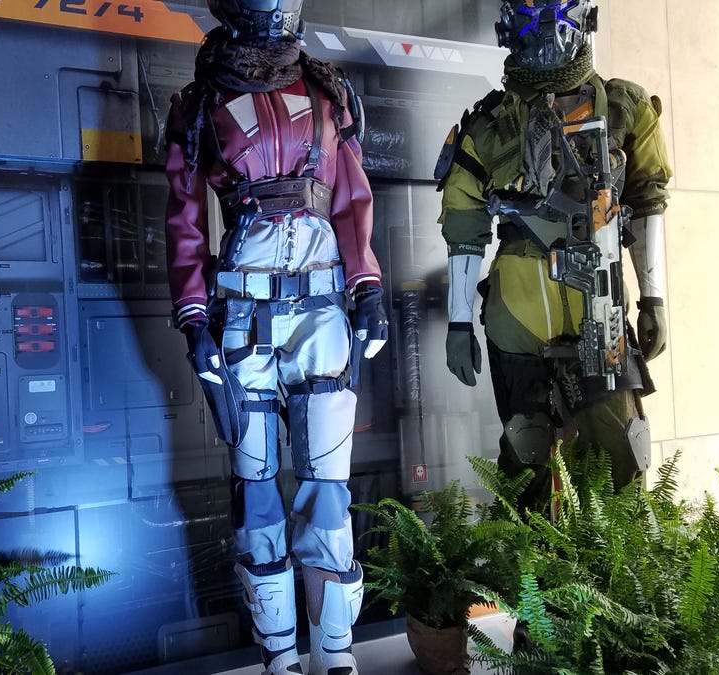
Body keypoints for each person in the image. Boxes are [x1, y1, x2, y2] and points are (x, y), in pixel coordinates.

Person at [163, 1, 388, 673]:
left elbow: (351, 197)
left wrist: (368, 286)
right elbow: (183, 220)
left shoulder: (327, 90)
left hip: (322, 313)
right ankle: (281, 659)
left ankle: (336, 654)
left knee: (329, 490)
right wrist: (193, 318)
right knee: (257, 492)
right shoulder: (199, 104)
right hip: (244, 319)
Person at [437, 0, 672, 507]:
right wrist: (458, 322)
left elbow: (648, 200)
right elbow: (463, 226)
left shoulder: (623, 106)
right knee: (526, 463)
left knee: (622, 459)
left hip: (600, 308)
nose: (546, 25)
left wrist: (653, 299)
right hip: (518, 311)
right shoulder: (487, 124)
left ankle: (610, 562)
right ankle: (524, 560)